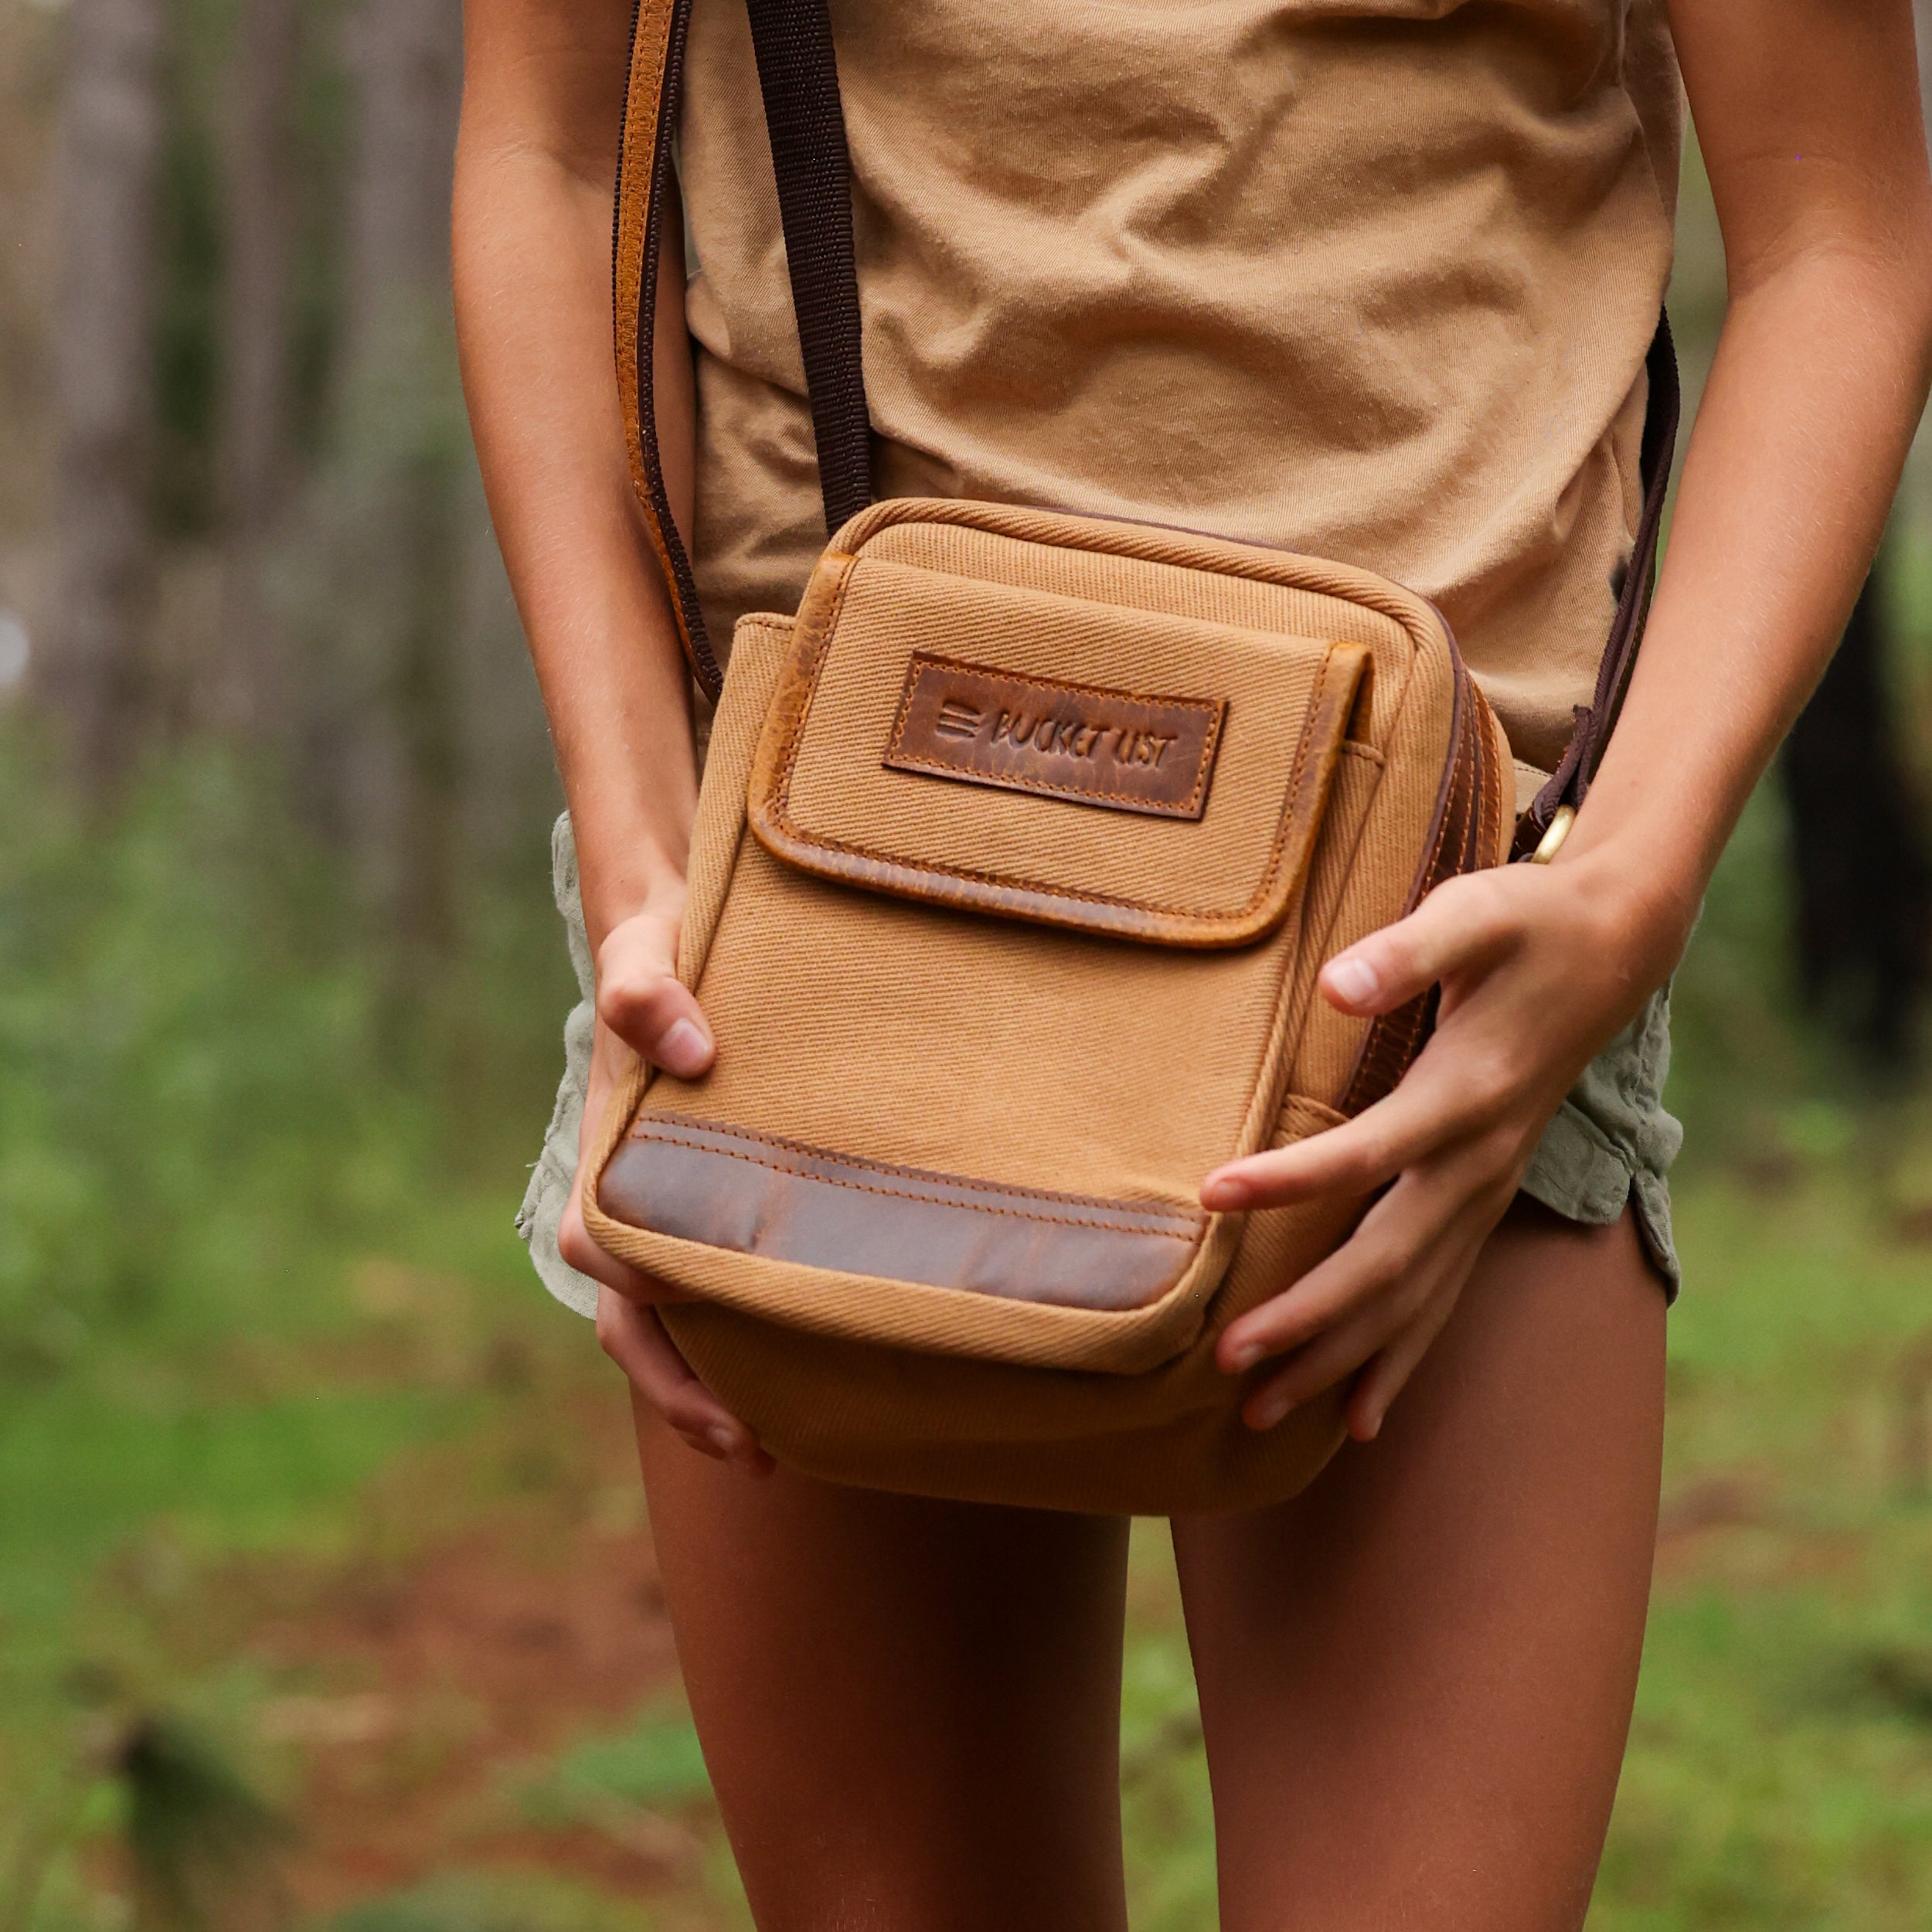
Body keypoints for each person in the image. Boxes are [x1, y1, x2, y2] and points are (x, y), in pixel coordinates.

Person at [452, 2, 1932, 1923]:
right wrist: (644, 845)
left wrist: (1627, 872)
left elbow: (1839, 237)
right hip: (824, 878)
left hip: (1441, 928)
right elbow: (549, 158)